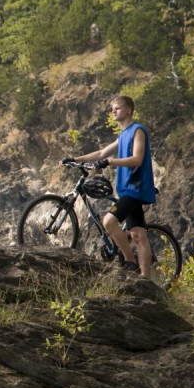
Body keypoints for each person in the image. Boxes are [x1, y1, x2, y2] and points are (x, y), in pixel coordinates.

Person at [61, 95, 156, 277]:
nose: (113, 111)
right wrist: (75, 159)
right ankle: (146, 279)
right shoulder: (123, 135)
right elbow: (101, 152)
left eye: (117, 108)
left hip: (136, 188)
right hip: (127, 189)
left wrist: (109, 162)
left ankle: (129, 261)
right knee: (137, 234)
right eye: (112, 108)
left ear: (128, 110)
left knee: (109, 221)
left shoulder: (138, 131)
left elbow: (137, 158)